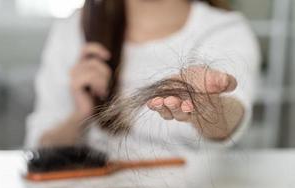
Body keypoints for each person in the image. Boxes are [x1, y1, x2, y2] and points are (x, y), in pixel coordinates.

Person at [25, 0, 260, 157]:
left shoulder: (225, 30)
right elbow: (40, 146)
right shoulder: (73, 30)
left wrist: (206, 106)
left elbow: (232, 122)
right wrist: (81, 115)